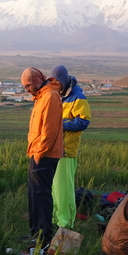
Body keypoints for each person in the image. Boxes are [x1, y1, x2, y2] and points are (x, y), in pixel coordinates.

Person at [21, 67, 64, 245]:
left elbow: (49, 130)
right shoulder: (41, 96)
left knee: (41, 194)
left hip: (45, 154)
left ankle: (43, 236)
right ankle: (35, 232)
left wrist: (39, 152)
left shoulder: (50, 97)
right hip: (37, 152)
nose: (27, 90)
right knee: (34, 194)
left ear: (38, 81)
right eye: (25, 87)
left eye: (28, 85)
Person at [50, 65, 91, 229]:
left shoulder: (77, 97)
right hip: (54, 149)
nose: (56, 86)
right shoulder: (57, 95)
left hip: (67, 150)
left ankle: (66, 222)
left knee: (64, 188)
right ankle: (56, 218)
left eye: (58, 83)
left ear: (64, 81)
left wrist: (60, 125)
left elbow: (83, 121)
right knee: (55, 187)